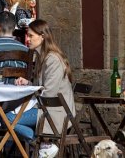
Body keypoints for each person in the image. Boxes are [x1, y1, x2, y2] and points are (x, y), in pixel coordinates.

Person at [12, 19, 75, 156]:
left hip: (55, 112)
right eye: (27, 35)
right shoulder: (42, 57)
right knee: (6, 116)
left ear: (42, 36)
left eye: (31, 36)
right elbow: (42, 86)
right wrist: (28, 84)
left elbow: (48, 92)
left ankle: (42, 144)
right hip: (46, 109)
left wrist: (32, 92)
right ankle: (43, 144)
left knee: (9, 118)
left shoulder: (52, 59)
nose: (27, 39)